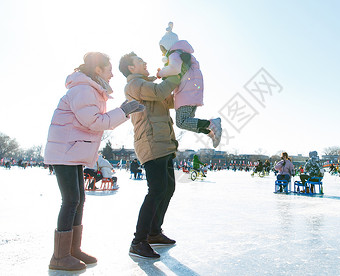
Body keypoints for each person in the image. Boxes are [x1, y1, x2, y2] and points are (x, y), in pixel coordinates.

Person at [44, 52, 144, 271]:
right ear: (98, 69)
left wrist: (125, 110)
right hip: (65, 151)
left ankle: (72, 249)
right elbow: (94, 122)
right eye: (109, 70)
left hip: (72, 150)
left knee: (78, 199)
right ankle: (59, 256)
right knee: (71, 199)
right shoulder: (83, 90)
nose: (112, 75)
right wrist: (125, 111)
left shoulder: (92, 91)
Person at [120, 51, 181, 259]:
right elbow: (158, 92)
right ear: (131, 68)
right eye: (139, 61)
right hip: (150, 142)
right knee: (156, 189)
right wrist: (176, 73)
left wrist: (187, 88)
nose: (145, 62)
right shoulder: (135, 85)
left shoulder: (150, 85)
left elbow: (169, 100)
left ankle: (154, 232)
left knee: (168, 187)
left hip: (164, 142)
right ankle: (138, 241)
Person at [157, 22, 222, 148]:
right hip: (191, 92)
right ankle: (210, 132)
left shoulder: (175, 54)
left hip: (186, 93)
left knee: (181, 122)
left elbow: (175, 69)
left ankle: (212, 124)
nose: (163, 54)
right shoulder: (183, 55)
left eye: (163, 50)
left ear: (168, 46)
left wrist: (161, 73)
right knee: (189, 122)